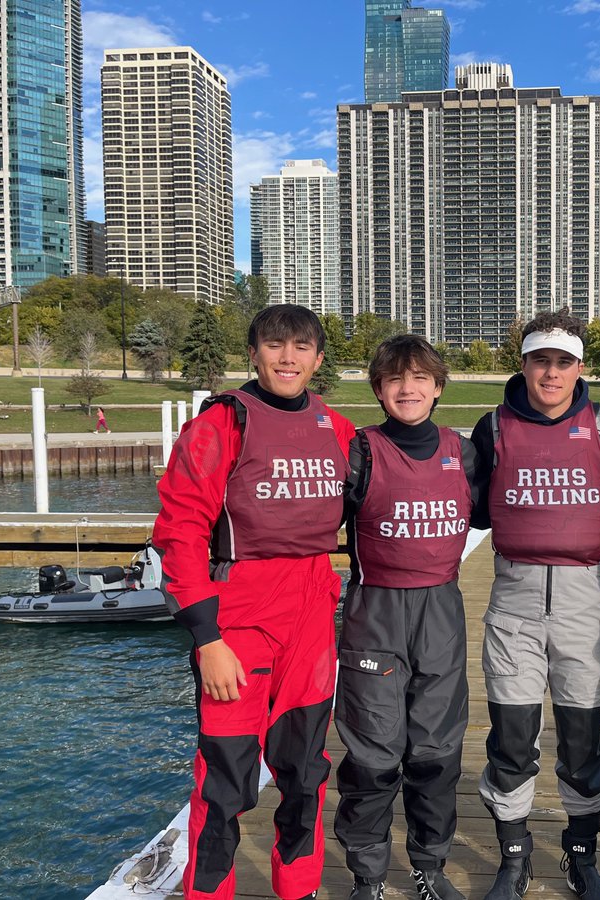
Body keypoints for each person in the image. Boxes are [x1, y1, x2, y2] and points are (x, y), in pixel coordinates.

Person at [153, 304, 355, 900]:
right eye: (274, 345)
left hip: (311, 614)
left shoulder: (338, 428)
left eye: (301, 347)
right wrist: (207, 639)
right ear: (253, 353)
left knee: (306, 771)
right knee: (225, 779)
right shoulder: (221, 425)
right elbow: (181, 532)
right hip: (239, 618)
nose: (287, 358)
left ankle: (299, 888)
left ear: (318, 359)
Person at [469, 310, 600, 900]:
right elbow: (468, 501)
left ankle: (581, 856)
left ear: (579, 368)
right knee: (512, 740)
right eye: (540, 360)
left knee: (582, 741)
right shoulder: (494, 426)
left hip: (581, 601)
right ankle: (514, 859)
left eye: (564, 362)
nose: (551, 373)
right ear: (523, 364)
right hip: (512, 599)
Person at [334, 335, 483, 900]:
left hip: (440, 611)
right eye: (395, 379)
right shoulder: (359, 451)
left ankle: (429, 864)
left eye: (420, 377)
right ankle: (368, 875)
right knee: (372, 756)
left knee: (436, 753)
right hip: (376, 613)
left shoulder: (463, 452)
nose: (407, 389)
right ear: (378, 389)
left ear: (438, 387)